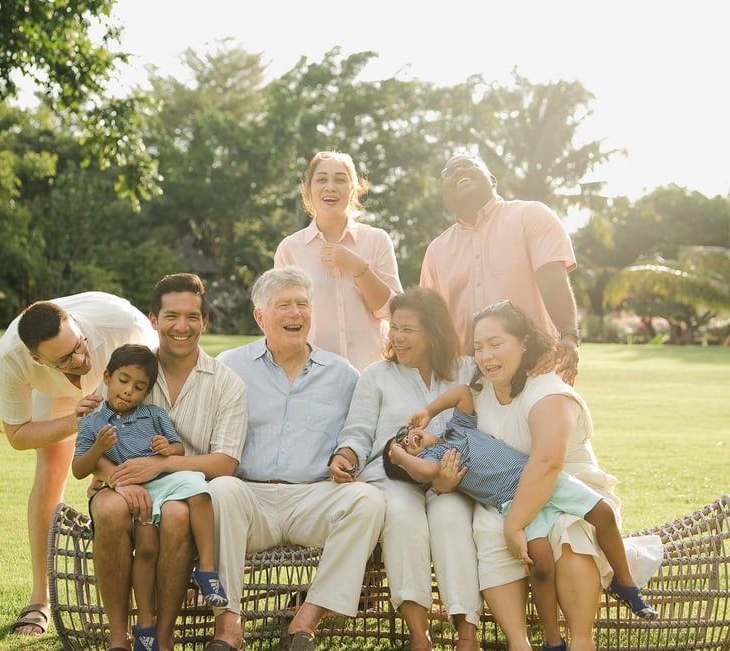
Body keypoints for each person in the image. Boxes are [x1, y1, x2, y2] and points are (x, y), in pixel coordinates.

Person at [446, 300, 662, 651]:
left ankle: (580, 640)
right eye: (478, 347)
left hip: (571, 488)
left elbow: (547, 464)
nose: (486, 356)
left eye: (496, 344)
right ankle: (520, 642)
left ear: (524, 342)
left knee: (567, 530)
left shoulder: (547, 389)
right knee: (486, 528)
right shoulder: (480, 393)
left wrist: (515, 524)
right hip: (509, 494)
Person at [208, 267, 386, 651]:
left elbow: (358, 430)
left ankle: (306, 621)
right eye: (284, 305)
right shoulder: (230, 366)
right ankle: (228, 626)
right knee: (220, 489)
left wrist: (347, 453)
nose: (296, 313)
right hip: (248, 498)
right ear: (260, 317)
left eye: (302, 304)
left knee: (368, 501)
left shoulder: (341, 373)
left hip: (312, 497)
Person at [383, 403, 658, 643]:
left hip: (541, 480)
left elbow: (463, 394)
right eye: (402, 447)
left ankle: (625, 582)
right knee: (540, 563)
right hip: (516, 505)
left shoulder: (458, 427)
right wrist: (400, 457)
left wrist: (430, 411)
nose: (407, 441)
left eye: (403, 436)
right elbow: (425, 472)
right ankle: (553, 638)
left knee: (603, 513)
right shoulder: (433, 462)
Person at [88, 273, 248, 651]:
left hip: (185, 494)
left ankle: (162, 638)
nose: (182, 326)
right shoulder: (130, 367)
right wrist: (117, 478)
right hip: (121, 482)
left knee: (176, 514)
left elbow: (225, 462)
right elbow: (92, 439)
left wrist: (159, 467)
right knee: (110, 510)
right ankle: (118, 638)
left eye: (193, 316)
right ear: (153, 319)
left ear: (205, 322)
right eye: (171, 316)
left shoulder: (227, 383)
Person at [0, 291, 157, 636]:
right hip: (56, 395)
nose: (80, 359)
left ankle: (155, 590)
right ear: (38, 359)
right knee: (51, 467)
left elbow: (154, 398)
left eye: (79, 345)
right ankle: (40, 599)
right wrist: (75, 423)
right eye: (66, 358)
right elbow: (18, 434)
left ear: (76, 325)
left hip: (122, 369)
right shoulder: (12, 356)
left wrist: (111, 466)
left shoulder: (123, 326)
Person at [330, 286, 482, 651]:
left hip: (450, 479)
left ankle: (466, 635)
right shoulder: (376, 376)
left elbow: (485, 428)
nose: (397, 337)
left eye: (408, 329)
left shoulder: (468, 370)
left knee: (451, 520)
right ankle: (420, 635)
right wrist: (346, 456)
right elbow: (358, 432)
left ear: (434, 331)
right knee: (401, 516)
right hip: (391, 475)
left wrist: (451, 478)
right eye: (393, 328)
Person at [73, 343, 228, 650]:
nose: (129, 391)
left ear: (146, 392)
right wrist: (98, 449)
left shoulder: (154, 414)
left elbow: (177, 449)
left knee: (198, 487)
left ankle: (207, 568)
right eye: (123, 380)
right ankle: (144, 626)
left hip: (162, 484)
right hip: (131, 494)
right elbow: (79, 469)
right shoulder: (92, 423)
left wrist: (165, 448)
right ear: (107, 377)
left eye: (139, 387)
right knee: (146, 550)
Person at [420, 154, 580, 385]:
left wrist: (569, 335)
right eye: (450, 173)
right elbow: (433, 321)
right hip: (468, 380)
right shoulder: (436, 251)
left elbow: (553, 279)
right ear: (446, 197)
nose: (460, 171)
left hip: (537, 367)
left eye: (470, 165)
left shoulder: (530, 215)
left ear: (493, 180)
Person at [274, 150, 403, 371]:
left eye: (340, 180)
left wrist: (358, 266)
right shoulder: (290, 249)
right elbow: (282, 320)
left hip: (371, 375)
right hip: (314, 377)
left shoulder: (377, 240)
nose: (330, 187)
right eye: (322, 179)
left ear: (354, 189)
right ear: (308, 189)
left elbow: (393, 312)